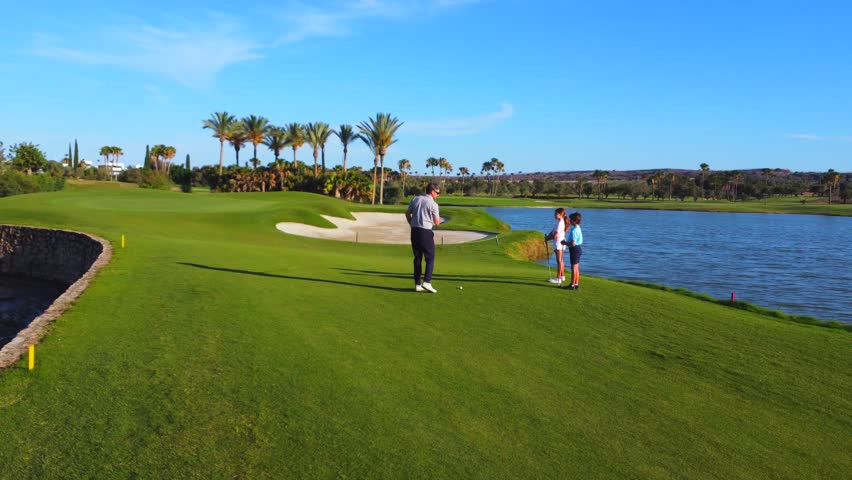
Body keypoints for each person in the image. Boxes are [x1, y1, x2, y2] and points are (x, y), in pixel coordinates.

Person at [405, 184, 441, 293]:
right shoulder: (433, 204)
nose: (438, 195)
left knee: (417, 258)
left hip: (414, 231)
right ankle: (427, 282)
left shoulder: (415, 199)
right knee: (430, 257)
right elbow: (437, 222)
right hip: (425, 232)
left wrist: (412, 223)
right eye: (438, 193)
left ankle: (417, 284)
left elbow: (407, 214)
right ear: (432, 191)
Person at [543, 208, 567, 284]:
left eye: (556, 214)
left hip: (559, 243)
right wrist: (547, 238)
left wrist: (548, 239)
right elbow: (552, 232)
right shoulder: (559, 222)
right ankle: (562, 276)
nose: (554, 215)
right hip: (559, 243)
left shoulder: (560, 223)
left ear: (560, 215)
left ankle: (558, 278)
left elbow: (555, 235)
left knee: (559, 261)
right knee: (560, 260)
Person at [562, 212, 583, 290]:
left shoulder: (574, 230)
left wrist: (564, 243)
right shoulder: (578, 227)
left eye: (570, 219)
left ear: (574, 221)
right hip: (578, 249)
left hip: (574, 249)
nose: (569, 221)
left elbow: (573, 243)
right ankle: (576, 283)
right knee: (576, 268)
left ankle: (572, 285)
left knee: (573, 268)